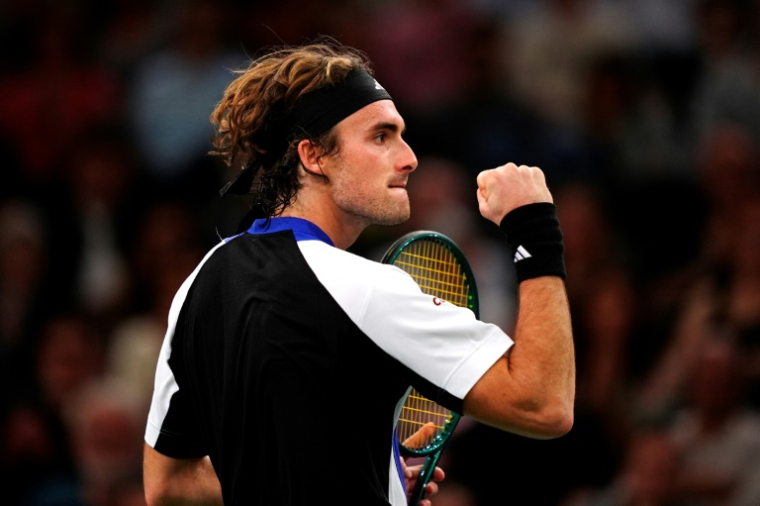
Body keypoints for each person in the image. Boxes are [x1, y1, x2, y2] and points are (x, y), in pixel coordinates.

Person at [142, 40, 575, 506]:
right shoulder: (363, 288)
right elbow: (543, 404)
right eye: (381, 136)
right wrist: (535, 230)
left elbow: (169, 486)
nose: (409, 157)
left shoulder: (198, 285)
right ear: (314, 157)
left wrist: (371, 476)